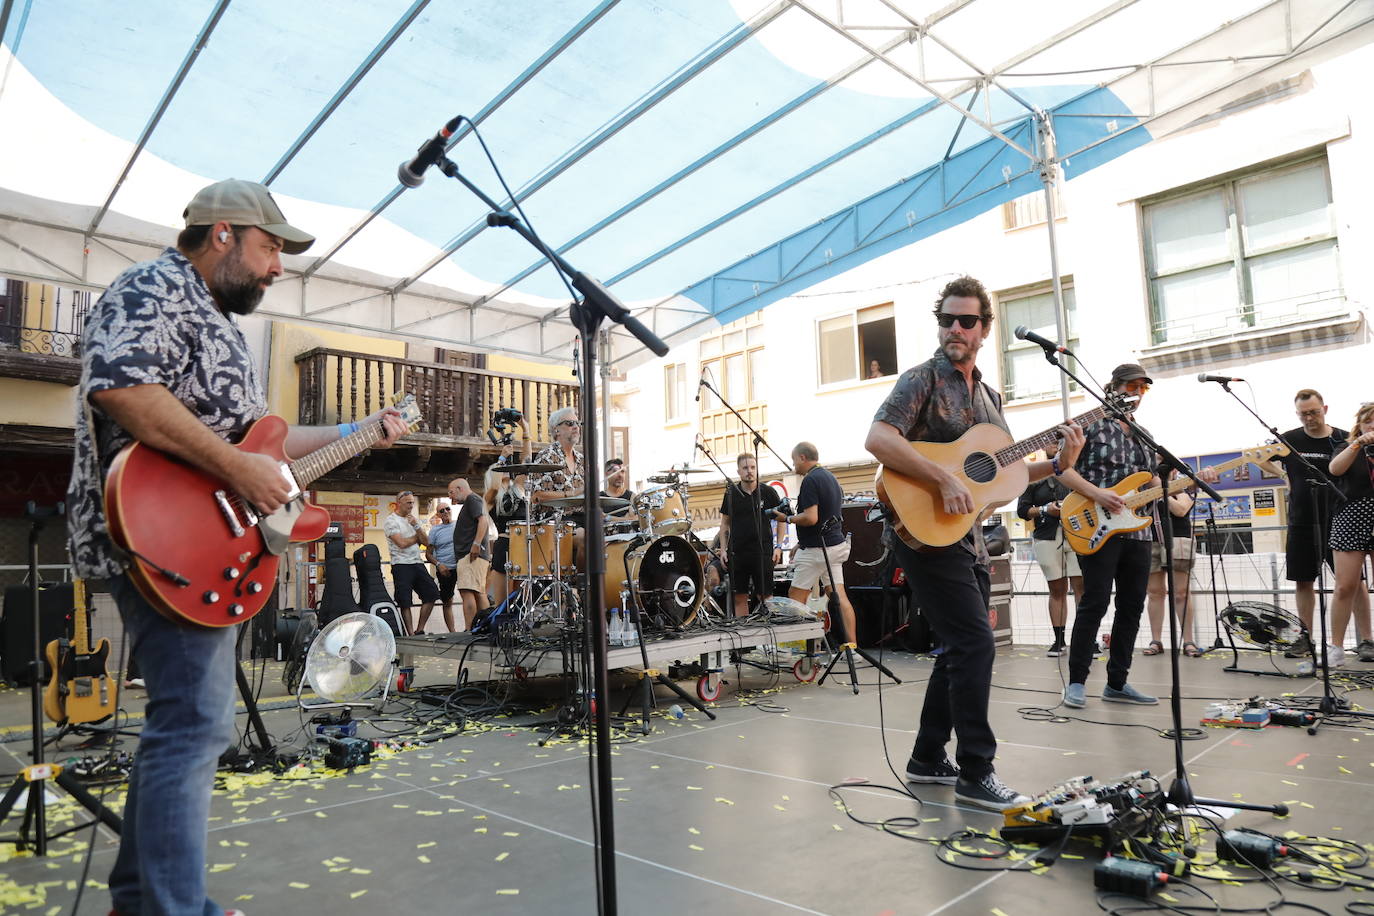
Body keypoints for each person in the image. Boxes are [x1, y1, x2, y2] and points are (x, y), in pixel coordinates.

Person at [65, 178, 407, 916]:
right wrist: (235, 468)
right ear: (223, 233)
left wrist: (360, 432)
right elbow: (123, 388)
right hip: (164, 536)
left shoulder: (215, 319)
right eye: (270, 248)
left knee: (185, 724)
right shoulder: (155, 286)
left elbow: (267, 445)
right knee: (193, 724)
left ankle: (143, 900)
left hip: (201, 542)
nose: (278, 266)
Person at [864, 275, 1086, 810]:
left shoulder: (989, 397)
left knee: (957, 650)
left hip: (970, 539)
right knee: (975, 644)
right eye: (947, 320)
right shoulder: (921, 379)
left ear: (985, 329)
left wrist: (1060, 464)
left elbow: (1003, 475)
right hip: (924, 534)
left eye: (967, 321)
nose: (955, 329)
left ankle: (926, 757)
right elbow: (878, 438)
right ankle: (976, 770)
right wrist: (942, 479)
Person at [1058, 364, 1162, 709]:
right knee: (1095, 602)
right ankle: (1076, 682)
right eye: (1132, 386)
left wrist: (1174, 486)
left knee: (1131, 606)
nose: (1138, 393)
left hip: (1138, 530)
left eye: (1143, 388)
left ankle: (1117, 682)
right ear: (1113, 388)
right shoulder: (1090, 424)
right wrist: (1099, 495)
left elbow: (1151, 480)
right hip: (1097, 527)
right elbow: (1062, 471)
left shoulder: (1144, 433)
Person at [1255, 389, 1370, 660]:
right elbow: (1259, 457)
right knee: (1303, 581)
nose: (1309, 418)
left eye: (1314, 412)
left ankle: (1367, 640)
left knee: (1354, 583)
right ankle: (1304, 639)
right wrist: (1283, 474)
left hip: (1340, 518)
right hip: (1302, 519)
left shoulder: (1344, 437)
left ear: (1325, 409)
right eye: (1303, 414)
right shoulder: (1289, 439)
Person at [774, 442, 857, 641]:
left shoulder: (810, 480)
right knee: (839, 597)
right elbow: (824, 517)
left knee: (796, 597)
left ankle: (798, 646)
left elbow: (811, 518)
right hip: (834, 545)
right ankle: (853, 647)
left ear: (802, 457)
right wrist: (799, 542)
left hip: (817, 550)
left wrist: (786, 518)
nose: (793, 465)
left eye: (794, 460)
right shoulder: (830, 477)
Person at [1016, 437, 1082, 657]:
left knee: (1082, 588)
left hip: (1079, 533)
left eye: (1060, 440)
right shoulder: (1033, 475)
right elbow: (1023, 511)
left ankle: (1086, 639)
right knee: (1057, 589)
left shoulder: (1077, 471)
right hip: (1047, 535)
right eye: (1052, 440)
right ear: (1043, 445)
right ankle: (1059, 640)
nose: (1056, 444)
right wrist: (1045, 509)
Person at [1322, 403, 1374, 665]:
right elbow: (1335, 469)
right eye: (1368, 421)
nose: (1372, 426)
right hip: (1352, 515)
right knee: (1345, 586)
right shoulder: (1347, 446)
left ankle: (1369, 640)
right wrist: (1357, 444)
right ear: (1360, 425)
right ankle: (1337, 647)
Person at [1143, 469, 1201, 657]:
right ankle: (1156, 640)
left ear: (1174, 469)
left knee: (1181, 593)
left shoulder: (1184, 485)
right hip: (1150, 538)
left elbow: (1180, 509)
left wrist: (1159, 491)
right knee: (1154, 592)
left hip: (1178, 538)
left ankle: (1188, 641)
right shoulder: (1141, 485)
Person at [719, 452, 784, 616]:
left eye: (753, 467)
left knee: (765, 596)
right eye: (745, 468)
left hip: (763, 550)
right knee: (739, 596)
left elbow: (782, 519)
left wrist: (778, 546)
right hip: (738, 551)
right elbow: (725, 523)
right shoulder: (731, 493)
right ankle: (744, 631)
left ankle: (770, 628)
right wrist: (723, 550)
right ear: (738, 471)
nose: (750, 471)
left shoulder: (768, 492)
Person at [385, 490, 442, 633]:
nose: (411, 505)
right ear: (399, 503)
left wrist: (417, 526)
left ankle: (419, 629)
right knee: (405, 601)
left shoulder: (413, 519)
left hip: (417, 562)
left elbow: (427, 542)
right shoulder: (391, 520)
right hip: (400, 564)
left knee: (432, 593)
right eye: (408, 503)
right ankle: (410, 633)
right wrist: (417, 538)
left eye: (412, 502)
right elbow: (401, 543)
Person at [449, 476, 492, 629]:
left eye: (451, 492)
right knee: (477, 591)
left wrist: (476, 544)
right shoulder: (473, 501)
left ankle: (470, 628)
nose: (450, 497)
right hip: (471, 555)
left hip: (471, 555)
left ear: (460, 489)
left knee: (468, 591)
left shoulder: (472, 500)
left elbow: (483, 520)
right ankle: (483, 626)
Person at [425, 505, 459, 632]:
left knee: (469, 596)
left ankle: (470, 629)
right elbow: (428, 554)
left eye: (447, 508)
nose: (445, 512)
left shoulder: (459, 525)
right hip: (445, 569)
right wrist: (439, 565)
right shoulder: (435, 530)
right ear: (438, 515)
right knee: (447, 601)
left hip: (462, 567)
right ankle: (453, 632)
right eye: (441, 511)